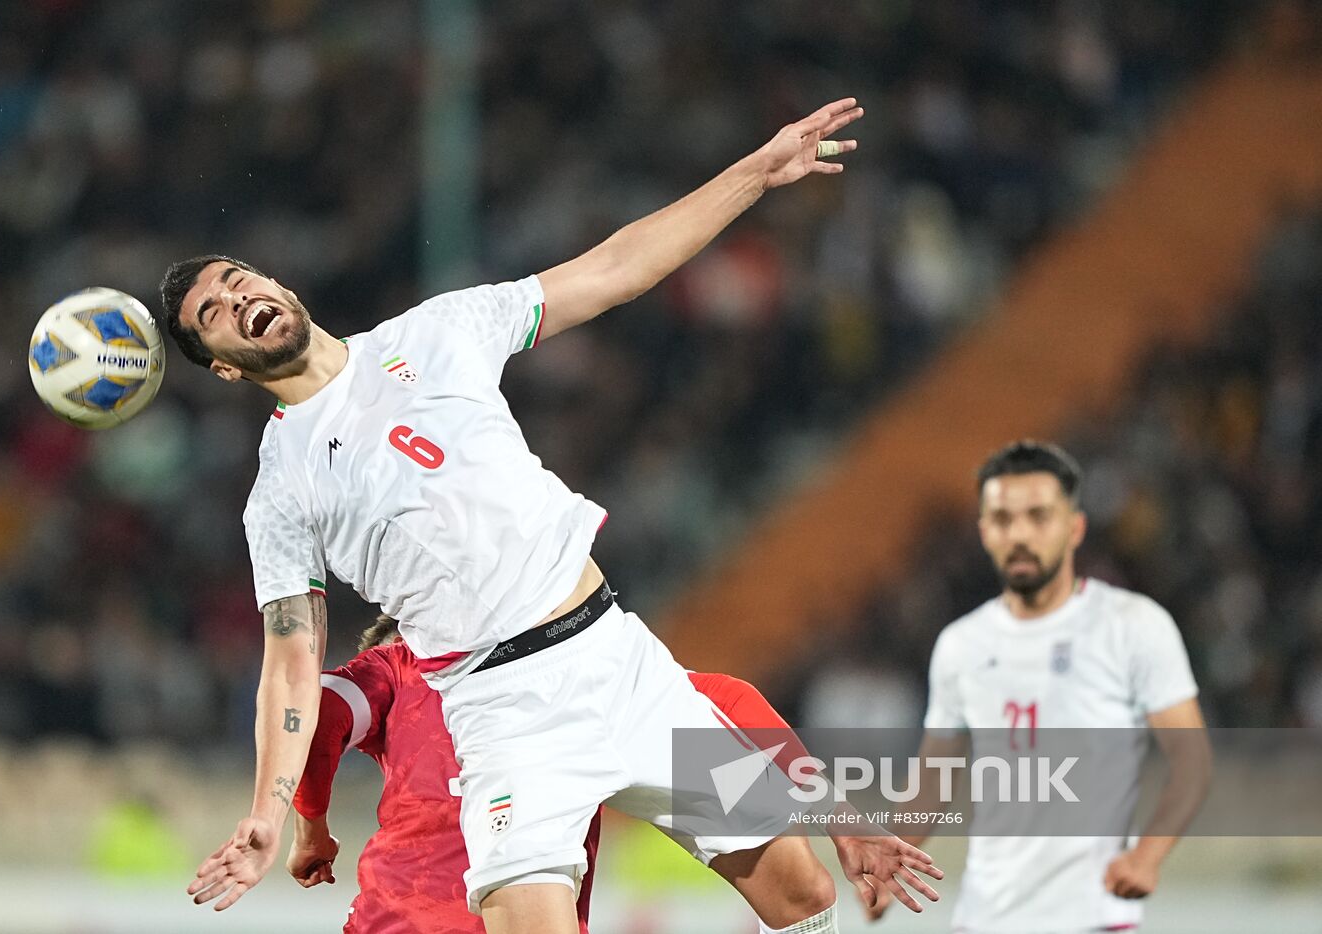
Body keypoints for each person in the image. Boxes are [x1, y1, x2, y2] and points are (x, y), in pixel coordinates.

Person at [168, 98, 941, 933]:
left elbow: (615, 268)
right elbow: (292, 663)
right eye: (211, 313)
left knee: (805, 896)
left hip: (620, 659)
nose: (235, 298)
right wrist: (268, 814)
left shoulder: (438, 331)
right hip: (505, 708)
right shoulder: (279, 490)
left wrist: (756, 173)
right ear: (224, 369)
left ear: (276, 284)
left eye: (237, 279)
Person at [288, 613, 828, 933]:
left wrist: (310, 827)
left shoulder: (395, 670)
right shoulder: (566, 679)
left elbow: (315, 716)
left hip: (400, 921)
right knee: (807, 902)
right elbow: (728, 697)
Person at [865, 441, 1210, 932]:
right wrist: (890, 864)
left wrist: (1147, 858)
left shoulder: (1133, 625)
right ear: (985, 532)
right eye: (1003, 519)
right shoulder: (961, 644)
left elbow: (1191, 759)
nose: (1019, 534)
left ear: (1075, 528)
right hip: (983, 918)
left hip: (1094, 917)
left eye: (1038, 516)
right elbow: (934, 780)